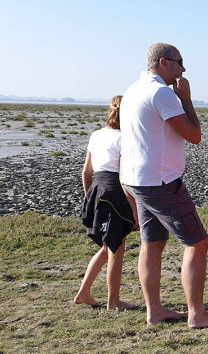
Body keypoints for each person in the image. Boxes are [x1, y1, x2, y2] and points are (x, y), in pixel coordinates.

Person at [119, 42, 208, 328]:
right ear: (164, 62)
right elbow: (194, 135)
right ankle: (197, 313)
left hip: (137, 180)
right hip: (161, 181)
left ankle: (154, 311)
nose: (184, 68)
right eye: (180, 62)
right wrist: (186, 99)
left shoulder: (132, 91)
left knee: (152, 242)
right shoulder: (162, 94)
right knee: (197, 242)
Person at [74, 95, 138, 311]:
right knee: (116, 247)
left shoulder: (97, 135)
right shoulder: (125, 138)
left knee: (107, 246)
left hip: (96, 189)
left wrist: (88, 197)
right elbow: (123, 177)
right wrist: (134, 209)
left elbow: (86, 172)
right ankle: (114, 301)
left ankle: (84, 293)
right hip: (114, 191)